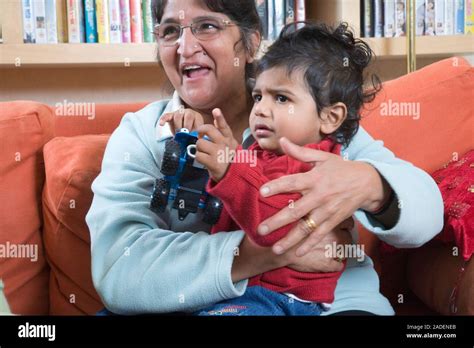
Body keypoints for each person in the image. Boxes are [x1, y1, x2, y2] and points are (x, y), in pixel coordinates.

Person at [86, 0, 443, 316]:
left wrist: (370, 184)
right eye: (169, 31)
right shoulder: (142, 133)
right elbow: (118, 268)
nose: (185, 46)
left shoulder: (307, 119)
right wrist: (259, 253)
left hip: (335, 304)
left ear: (252, 41)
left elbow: (428, 215)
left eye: (206, 26)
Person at [160, 22, 380, 315]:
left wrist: (229, 171)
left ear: (330, 117)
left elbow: (273, 228)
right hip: (237, 289)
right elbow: (240, 198)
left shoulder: (317, 168)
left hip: (282, 299)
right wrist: (203, 141)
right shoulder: (259, 152)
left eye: (281, 98)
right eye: (258, 96)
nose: (261, 109)